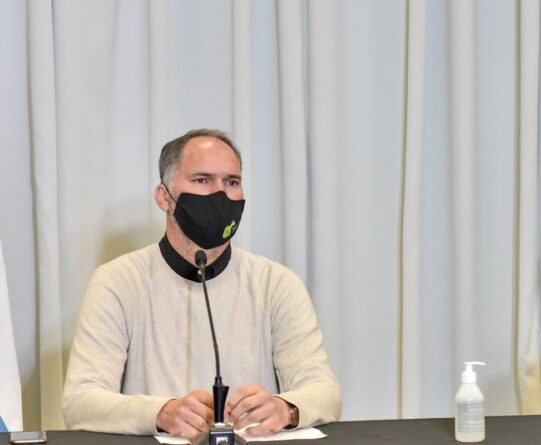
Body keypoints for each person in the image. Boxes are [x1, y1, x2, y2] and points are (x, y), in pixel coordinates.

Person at [63, 129, 341, 440]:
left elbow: (325, 392)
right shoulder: (117, 282)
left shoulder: (277, 284)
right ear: (164, 197)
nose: (219, 194)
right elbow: (80, 401)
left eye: (231, 182)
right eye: (202, 180)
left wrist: (286, 408)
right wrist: (160, 413)